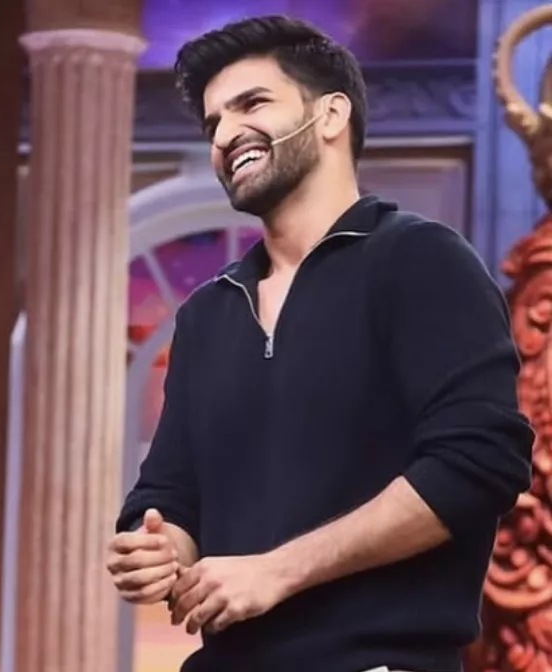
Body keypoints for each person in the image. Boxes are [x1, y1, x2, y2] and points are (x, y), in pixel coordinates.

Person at [108, 16, 534, 672]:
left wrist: (277, 571)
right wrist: (160, 548)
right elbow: (169, 494)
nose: (224, 134)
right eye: (213, 121)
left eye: (252, 103)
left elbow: (477, 465)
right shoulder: (207, 315)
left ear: (331, 114)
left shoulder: (422, 261)